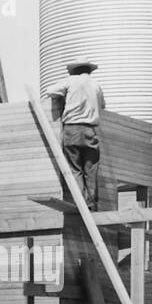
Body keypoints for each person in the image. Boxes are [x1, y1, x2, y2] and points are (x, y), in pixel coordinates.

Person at [45, 59, 105, 210]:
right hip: (90, 130)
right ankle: (91, 203)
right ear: (89, 70)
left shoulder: (71, 81)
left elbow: (49, 91)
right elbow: (103, 105)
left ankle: (80, 203)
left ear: (74, 70)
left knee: (75, 168)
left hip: (72, 129)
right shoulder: (96, 85)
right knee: (91, 170)